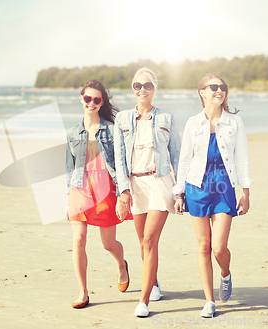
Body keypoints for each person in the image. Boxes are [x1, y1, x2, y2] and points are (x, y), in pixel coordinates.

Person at [173, 74, 253, 318]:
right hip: (197, 186)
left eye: (222, 87)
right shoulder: (192, 123)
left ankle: (225, 274)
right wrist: (179, 193)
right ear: (202, 92)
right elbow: (184, 158)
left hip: (223, 186)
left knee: (219, 248)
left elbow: (242, 158)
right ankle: (209, 300)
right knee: (203, 245)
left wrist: (246, 192)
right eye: (214, 87)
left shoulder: (234, 122)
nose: (219, 91)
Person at [114, 67, 181, 317]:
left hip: (159, 181)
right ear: (133, 89)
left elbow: (177, 154)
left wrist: (179, 190)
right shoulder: (122, 120)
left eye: (147, 85)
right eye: (137, 86)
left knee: (150, 240)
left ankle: (143, 301)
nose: (142, 90)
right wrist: (123, 192)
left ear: (154, 89)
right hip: (135, 185)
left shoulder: (166, 118)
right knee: (142, 242)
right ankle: (153, 281)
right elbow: (119, 159)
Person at [66, 79, 132, 309]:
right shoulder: (72, 133)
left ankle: (121, 265)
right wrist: (68, 196)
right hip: (80, 190)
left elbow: (122, 164)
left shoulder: (113, 131)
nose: (91, 103)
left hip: (105, 190)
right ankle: (83, 292)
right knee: (78, 239)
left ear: (101, 102)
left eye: (96, 99)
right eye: (87, 99)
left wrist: (123, 193)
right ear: (81, 99)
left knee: (108, 243)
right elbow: (69, 168)